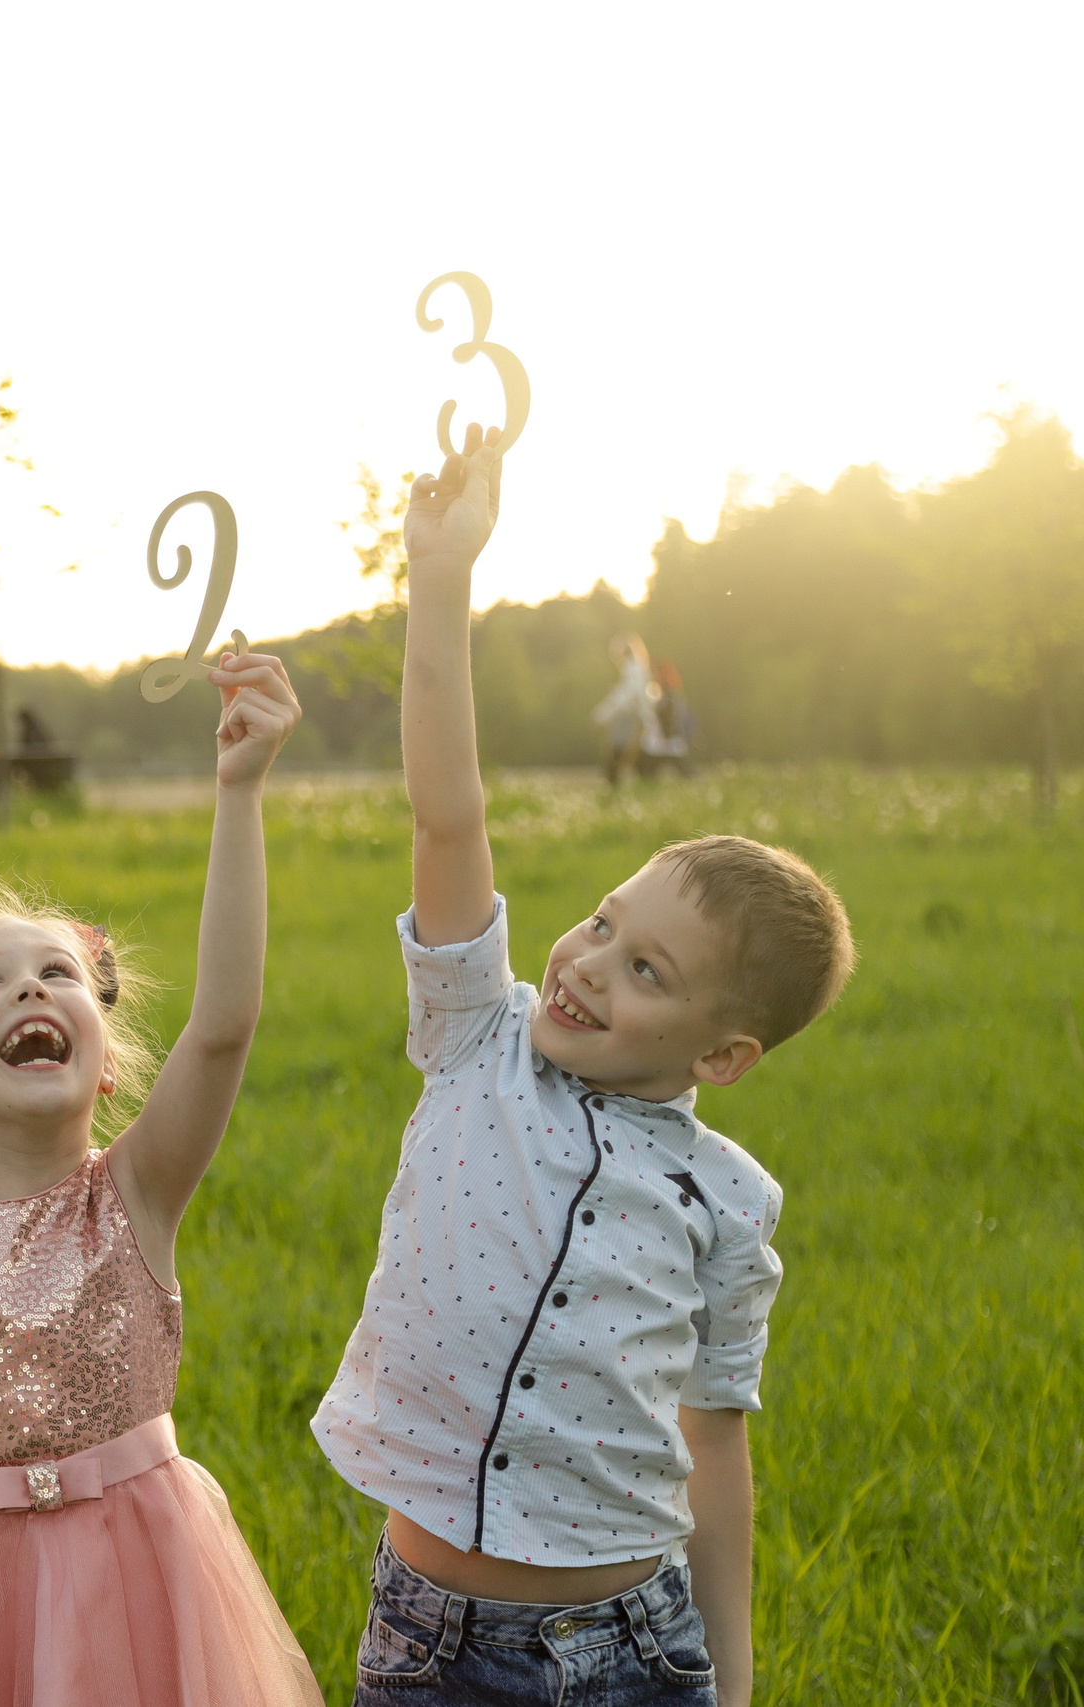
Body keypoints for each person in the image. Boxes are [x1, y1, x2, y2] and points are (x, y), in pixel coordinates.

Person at [312, 426, 856, 1707]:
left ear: (722, 1056)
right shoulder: (475, 1037)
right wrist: (438, 579)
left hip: (633, 1648)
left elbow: (713, 1453)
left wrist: (728, 1678)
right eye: (603, 921)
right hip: (431, 1641)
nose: (591, 963)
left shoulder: (730, 1205)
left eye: (648, 971)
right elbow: (449, 809)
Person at [0, 650, 320, 1707]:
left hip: (143, 1580)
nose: (29, 984)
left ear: (106, 1059)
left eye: (56, 974)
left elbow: (221, 1027)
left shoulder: (133, 1194)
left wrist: (239, 790)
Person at [593, 637, 657, 785]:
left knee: (619, 749)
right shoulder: (638, 669)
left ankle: (613, 781)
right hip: (636, 717)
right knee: (634, 752)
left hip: (630, 717)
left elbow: (625, 697)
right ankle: (644, 781)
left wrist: (601, 715)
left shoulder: (632, 670)